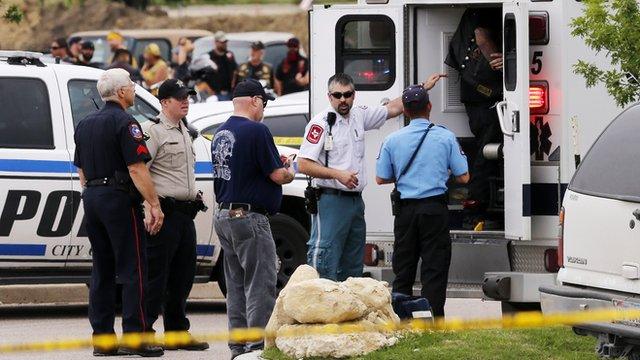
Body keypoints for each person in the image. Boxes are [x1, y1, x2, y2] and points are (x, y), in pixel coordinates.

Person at [298, 72, 445, 281]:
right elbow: (303, 164)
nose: (343, 100)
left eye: (347, 94)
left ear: (353, 95)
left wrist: (422, 88)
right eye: (337, 95)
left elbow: (393, 108)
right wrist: (337, 174)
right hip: (330, 200)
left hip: (355, 203)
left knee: (353, 266)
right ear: (329, 97)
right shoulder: (320, 123)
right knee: (324, 260)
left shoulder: (359, 115)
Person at [73, 68, 164, 357]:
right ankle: (135, 338)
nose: (135, 91)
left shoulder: (85, 123)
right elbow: (136, 168)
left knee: (102, 269)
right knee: (133, 267)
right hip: (117, 198)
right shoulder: (126, 123)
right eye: (132, 87)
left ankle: (102, 339)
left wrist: (92, 194)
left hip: (93, 198)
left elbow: (82, 171)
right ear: (122, 92)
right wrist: (153, 203)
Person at [211, 79, 294, 359]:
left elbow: (246, 168)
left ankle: (238, 346)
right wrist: (290, 169)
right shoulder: (257, 130)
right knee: (260, 283)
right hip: (248, 216)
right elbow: (277, 175)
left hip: (224, 214)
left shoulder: (222, 132)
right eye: (265, 103)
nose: (264, 109)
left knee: (235, 285)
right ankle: (257, 347)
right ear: (255, 101)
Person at [375, 84, 469, 318]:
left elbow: (381, 178)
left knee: (403, 268)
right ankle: (433, 320)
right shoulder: (446, 137)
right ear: (429, 107)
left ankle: (401, 318)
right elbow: (464, 176)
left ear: (405, 111)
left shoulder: (392, 140)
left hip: (405, 212)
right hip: (434, 209)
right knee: (434, 268)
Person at [140, 79, 209, 351]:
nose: (186, 101)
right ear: (164, 102)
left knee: (183, 276)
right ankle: (143, 332)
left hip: (184, 214)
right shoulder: (152, 131)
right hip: (164, 213)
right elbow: (141, 171)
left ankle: (177, 331)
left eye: (188, 97)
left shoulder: (186, 131)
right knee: (156, 276)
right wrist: (150, 206)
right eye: (180, 97)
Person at [445, 8, 503, 229]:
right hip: (485, 95)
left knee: (485, 148)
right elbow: (481, 36)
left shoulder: (472, 11)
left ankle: (478, 205)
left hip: (475, 93)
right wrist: (500, 62)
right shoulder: (483, 12)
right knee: (486, 152)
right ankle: (475, 208)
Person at [208, 31, 237, 100]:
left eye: (225, 42)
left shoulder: (229, 55)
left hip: (231, 92)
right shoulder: (210, 57)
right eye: (222, 42)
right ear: (216, 42)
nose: (225, 44)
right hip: (216, 93)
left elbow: (235, 71)